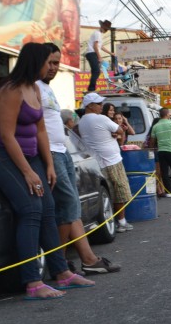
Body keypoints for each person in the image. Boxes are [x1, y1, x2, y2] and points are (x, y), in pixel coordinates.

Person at [0, 42, 95, 300]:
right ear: (36, 62)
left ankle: (61, 272)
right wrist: (28, 173)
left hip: (31, 157)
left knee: (49, 207)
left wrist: (48, 165)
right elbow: (7, 137)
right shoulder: (11, 90)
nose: (51, 67)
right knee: (31, 209)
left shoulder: (35, 89)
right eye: (48, 62)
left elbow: (41, 130)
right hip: (1, 156)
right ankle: (32, 281)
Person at [38, 44, 120, 276]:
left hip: (62, 151)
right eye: (50, 63)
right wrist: (48, 160)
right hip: (50, 154)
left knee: (71, 206)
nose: (54, 68)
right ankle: (60, 263)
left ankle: (87, 259)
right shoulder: (31, 88)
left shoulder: (46, 87)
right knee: (67, 206)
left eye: (57, 63)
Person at [77, 92, 134, 232]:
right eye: (98, 104)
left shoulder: (82, 121)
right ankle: (121, 222)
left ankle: (113, 222)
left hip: (96, 163)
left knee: (107, 194)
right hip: (112, 161)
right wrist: (115, 134)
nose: (101, 106)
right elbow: (120, 130)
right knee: (120, 191)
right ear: (90, 105)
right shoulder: (101, 119)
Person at [150, 108, 171, 197]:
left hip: (161, 152)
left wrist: (152, 148)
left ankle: (168, 192)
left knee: (164, 172)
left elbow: (152, 141)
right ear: (167, 114)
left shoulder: (155, 126)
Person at [85, 20, 113, 92]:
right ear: (102, 26)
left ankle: (91, 88)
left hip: (92, 53)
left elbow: (101, 46)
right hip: (91, 53)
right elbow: (95, 46)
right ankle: (91, 89)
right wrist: (99, 57)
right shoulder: (97, 33)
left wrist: (110, 53)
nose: (106, 30)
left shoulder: (99, 34)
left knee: (95, 71)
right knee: (97, 71)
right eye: (105, 29)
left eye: (107, 29)